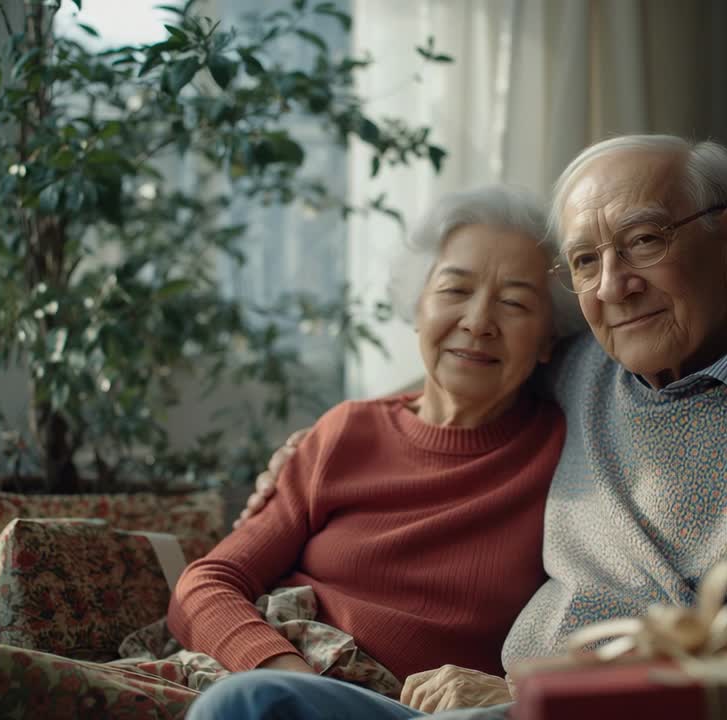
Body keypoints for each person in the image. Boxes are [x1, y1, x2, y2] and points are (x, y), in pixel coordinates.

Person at [195, 135, 727, 719]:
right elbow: (466, 368)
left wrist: (532, 693)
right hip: (478, 705)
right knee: (255, 701)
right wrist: (327, 438)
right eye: (586, 260)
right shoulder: (591, 366)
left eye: (645, 241)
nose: (614, 286)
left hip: (599, 709)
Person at [170, 185, 582, 708]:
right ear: (418, 307)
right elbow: (206, 583)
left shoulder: (568, 455)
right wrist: (290, 682)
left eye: (515, 303)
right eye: (454, 290)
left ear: (549, 339)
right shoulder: (347, 432)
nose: (478, 322)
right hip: (278, 677)